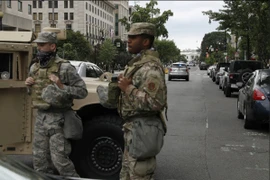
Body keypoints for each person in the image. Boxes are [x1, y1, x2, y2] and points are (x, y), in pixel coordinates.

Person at [25, 31, 87, 177]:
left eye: (42, 45)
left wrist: (61, 86)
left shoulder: (65, 68)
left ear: (52, 46)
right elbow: (33, 93)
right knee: (40, 162)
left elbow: (82, 91)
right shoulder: (35, 68)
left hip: (58, 119)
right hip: (41, 118)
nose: (38, 48)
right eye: (38, 45)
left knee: (60, 162)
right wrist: (29, 86)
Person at [117, 22, 168, 180]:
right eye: (128, 37)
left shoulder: (150, 68)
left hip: (143, 132)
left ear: (145, 42)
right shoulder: (138, 65)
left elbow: (156, 103)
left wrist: (128, 88)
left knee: (140, 174)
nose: (128, 40)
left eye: (133, 37)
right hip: (133, 130)